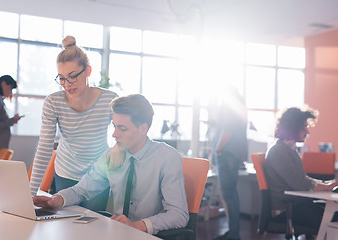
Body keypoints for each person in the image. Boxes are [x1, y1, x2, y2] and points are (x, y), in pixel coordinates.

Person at [33, 94, 189, 235]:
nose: (115, 134)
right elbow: (83, 189)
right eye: (114, 126)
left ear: (143, 128)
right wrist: (58, 199)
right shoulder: (112, 154)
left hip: (147, 234)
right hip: (115, 232)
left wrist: (139, 225)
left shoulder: (167, 157)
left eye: (122, 128)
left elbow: (179, 214)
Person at [29, 36, 118, 211]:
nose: (67, 85)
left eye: (72, 77)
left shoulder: (110, 99)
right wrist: (30, 192)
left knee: (94, 225)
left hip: (99, 175)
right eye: (61, 78)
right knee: (65, 225)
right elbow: (45, 147)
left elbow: (121, 136)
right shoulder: (53, 102)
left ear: (88, 71)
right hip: (66, 172)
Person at [265, 106, 338, 234]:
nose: (307, 132)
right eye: (305, 126)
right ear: (294, 127)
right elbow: (300, 184)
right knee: (333, 219)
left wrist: (327, 184)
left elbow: (302, 180)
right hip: (287, 210)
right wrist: (328, 186)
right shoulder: (279, 151)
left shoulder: (288, 149)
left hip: (296, 205)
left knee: (332, 214)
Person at [212, 86, 247, 240]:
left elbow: (228, 128)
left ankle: (233, 235)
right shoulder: (239, 104)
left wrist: (218, 149)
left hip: (227, 153)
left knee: (228, 195)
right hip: (234, 153)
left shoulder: (229, 104)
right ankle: (233, 232)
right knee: (232, 194)